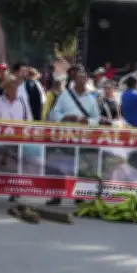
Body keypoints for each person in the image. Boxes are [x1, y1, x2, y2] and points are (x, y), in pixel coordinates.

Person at [46, 68, 100, 206]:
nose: (81, 80)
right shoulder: (65, 95)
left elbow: (96, 118)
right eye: (79, 77)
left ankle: (79, 195)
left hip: (83, 138)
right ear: (74, 80)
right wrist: (66, 117)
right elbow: (54, 113)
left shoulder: (91, 98)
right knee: (60, 167)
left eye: (84, 78)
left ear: (87, 80)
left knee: (80, 167)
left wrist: (87, 121)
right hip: (65, 137)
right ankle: (56, 196)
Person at [0, 76, 31, 203]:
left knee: (13, 167)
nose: (14, 89)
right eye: (12, 86)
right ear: (7, 88)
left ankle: (14, 192)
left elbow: (29, 121)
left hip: (17, 141)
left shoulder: (22, 102)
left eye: (16, 86)